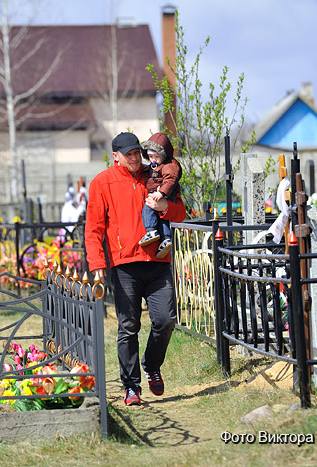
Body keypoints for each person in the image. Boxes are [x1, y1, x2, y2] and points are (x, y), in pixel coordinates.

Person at [85, 131, 186, 406]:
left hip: (158, 262)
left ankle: (152, 365)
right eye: (128, 154)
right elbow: (93, 229)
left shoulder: (155, 174)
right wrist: (97, 265)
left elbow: (181, 213)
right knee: (128, 326)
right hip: (124, 265)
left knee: (165, 321)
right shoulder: (102, 183)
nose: (134, 158)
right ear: (116, 156)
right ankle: (131, 387)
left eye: (136, 153)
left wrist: (165, 206)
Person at [138, 132, 182, 259]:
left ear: (164, 155)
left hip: (161, 193)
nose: (153, 160)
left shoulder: (169, 166)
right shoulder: (157, 165)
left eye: (156, 157)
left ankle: (151, 230)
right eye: (150, 156)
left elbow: (170, 180)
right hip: (161, 192)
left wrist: (161, 192)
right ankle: (166, 239)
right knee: (163, 217)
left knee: (148, 208)